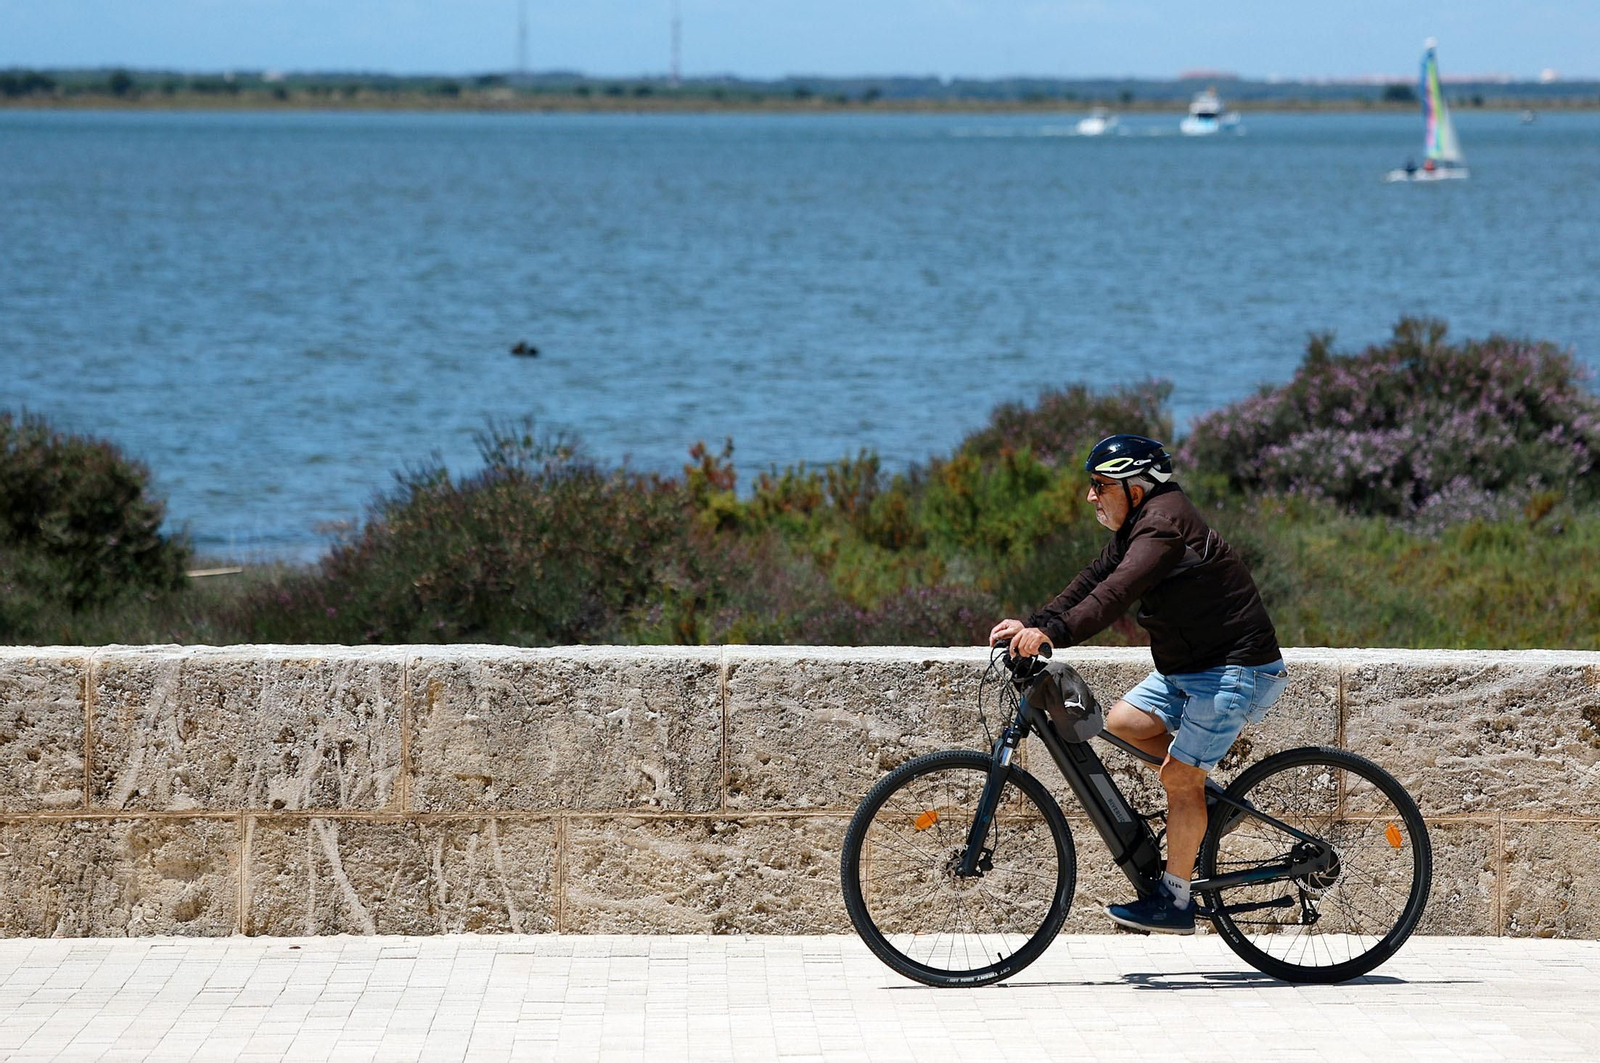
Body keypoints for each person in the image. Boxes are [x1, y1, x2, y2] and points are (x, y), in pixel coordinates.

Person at [988, 434, 1288, 934]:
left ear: (1135, 486)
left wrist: (1054, 635)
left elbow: (1115, 595)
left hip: (1235, 669)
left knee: (1178, 778)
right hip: (1191, 668)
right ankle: (1208, 804)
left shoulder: (1163, 528)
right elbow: (1093, 579)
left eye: (1100, 484)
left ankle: (1175, 903)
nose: (1091, 495)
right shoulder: (1141, 524)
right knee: (1123, 722)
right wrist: (1035, 623)